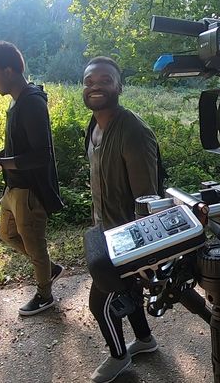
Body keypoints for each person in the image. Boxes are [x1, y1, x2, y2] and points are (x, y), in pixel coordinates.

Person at [82, 56, 161, 383]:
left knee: (99, 304)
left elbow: (148, 199)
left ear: (119, 87)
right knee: (125, 292)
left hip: (128, 238)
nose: (95, 86)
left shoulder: (133, 132)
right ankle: (145, 340)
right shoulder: (94, 126)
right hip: (104, 229)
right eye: (89, 81)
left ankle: (119, 357)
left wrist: (144, 258)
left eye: (104, 80)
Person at [0, 41, 65, 316]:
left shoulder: (31, 103)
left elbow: (41, 155)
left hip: (29, 190)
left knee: (35, 244)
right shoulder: (18, 102)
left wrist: (0, 163)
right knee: (7, 234)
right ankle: (48, 269)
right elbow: (21, 147)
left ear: (9, 70)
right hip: (13, 186)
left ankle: (44, 295)